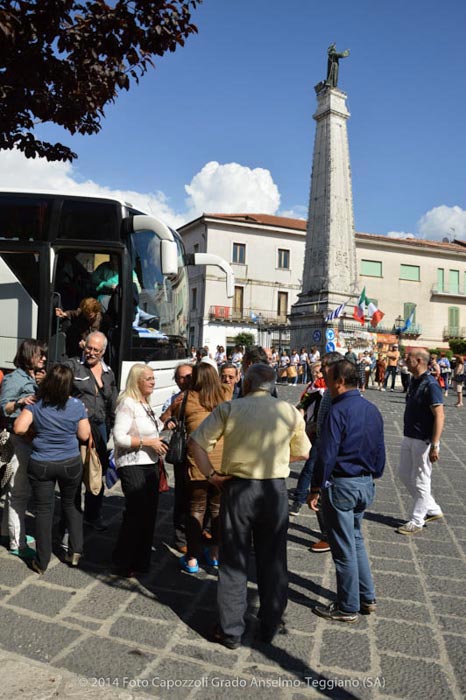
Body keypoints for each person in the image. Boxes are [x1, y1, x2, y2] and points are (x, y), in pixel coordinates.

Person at [189, 363, 310, 648]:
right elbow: (304, 452)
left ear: (246, 383)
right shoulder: (289, 411)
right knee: (274, 559)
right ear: (273, 384)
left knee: (234, 561)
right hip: (274, 490)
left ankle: (231, 630)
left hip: (238, 487)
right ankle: (269, 625)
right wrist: (279, 460)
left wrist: (212, 475)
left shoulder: (230, 408)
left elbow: (197, 444)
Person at [308, 359, 385, 623]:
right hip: (365, 482)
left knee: (343, 549)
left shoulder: (337, 411)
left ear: (340, 382)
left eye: (328, 379)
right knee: (356, 539)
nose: (325, 384)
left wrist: (316, 486)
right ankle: (367, 596)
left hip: (342, 484)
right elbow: (380, 451)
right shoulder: (372, 409)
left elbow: (326, 455)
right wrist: (372, 475)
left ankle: (348, 606)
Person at [13, 365, 91, 574]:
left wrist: (34, 430)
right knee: (72, 505)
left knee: (44, 510)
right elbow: (84, 435)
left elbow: (19, 428)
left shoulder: (36, 405)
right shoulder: (76, 405)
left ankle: (42, 561)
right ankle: (75, 551)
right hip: (69, 463)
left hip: (42, 463)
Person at [173, 363, 231, 574]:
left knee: (196, 509)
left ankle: (192, 559)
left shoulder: (186, 398)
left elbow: (170, 418)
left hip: (198, 461)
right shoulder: (225, 395)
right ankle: (215, 554)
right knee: (217, 508)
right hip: (221, 463)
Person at [112, 364, 168, 576]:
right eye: (149, 379)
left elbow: (151, 429)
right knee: (136, 513)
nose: (153, 382)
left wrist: (166, 422)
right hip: (132, 464)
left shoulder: (145, 403)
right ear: (137, 381)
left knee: (149, 514)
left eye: (153, 378)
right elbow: (119, 437)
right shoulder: (127, 403)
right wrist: (148, 442)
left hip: (150, 463)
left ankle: (141, 561)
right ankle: (123, 561)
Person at [65, 331, 117, 530]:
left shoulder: (108, 372)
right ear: (83, 346)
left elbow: (112, 401)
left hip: (101, 427)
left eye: (96, 350)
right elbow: (60, 389)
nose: (91, 352)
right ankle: (73, 517)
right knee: (75, 474)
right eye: (89, 348)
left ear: (103, 352)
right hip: (77, 427)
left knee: (97, 473)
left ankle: (93, 515)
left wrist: (114, 428)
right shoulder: (72, 366)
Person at [0, 339, 47, 557]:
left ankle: (6, 532)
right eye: (40, 355)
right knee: (18, 491)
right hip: (17, 440)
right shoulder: (13, 378)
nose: (44, 358)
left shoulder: (31, 377)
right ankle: (17, 543)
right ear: (29, 356)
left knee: (16, 491)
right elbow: (4, 407)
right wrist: (20, 402)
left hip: (27, 439)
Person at [396, 349, 444, 535]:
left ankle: (417, 520)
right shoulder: (415, 381)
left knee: (421, 480)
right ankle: (432, 508)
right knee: (403, 474)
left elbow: (439, 415)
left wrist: (435, 444)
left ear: (418, 361)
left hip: (423, 440)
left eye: (408, 358)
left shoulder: (430, 385)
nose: (405, 360)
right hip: (410, 435)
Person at [160, 362, 193, 552]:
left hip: (202, 454)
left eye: (189, 376)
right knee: (181, 496)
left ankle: (200, 532)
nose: (186, 380)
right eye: (181, 377)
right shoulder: (175, 399)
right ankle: (181, 538)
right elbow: (163, 421)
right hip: (182, 453)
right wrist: (172, 411)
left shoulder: (203, 396)